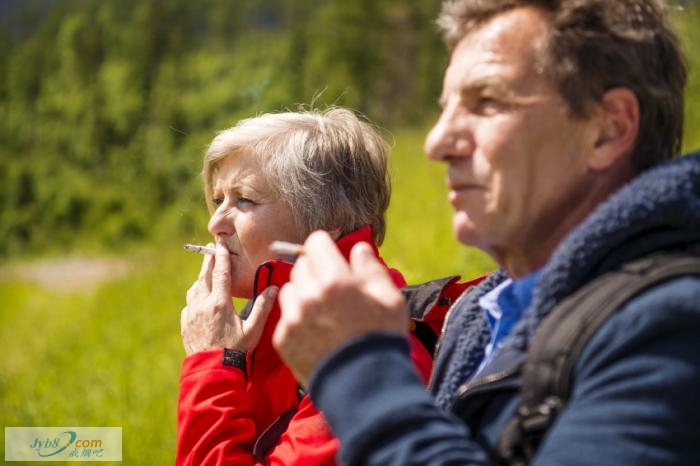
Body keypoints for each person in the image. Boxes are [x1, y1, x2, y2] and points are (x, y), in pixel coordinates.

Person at [272, 1, 700, 465]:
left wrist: (360, 373)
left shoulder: (673, 324)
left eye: (487, 103)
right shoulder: (477, 314)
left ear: (608, 129)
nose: (437, 142)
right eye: (447, 108)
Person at [176, 108, 474, 465]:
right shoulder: (264, 327)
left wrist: (211, 367)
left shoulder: (367, 351)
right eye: (218, 199)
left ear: (328, 219)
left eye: (244, 200)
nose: (215, 223)